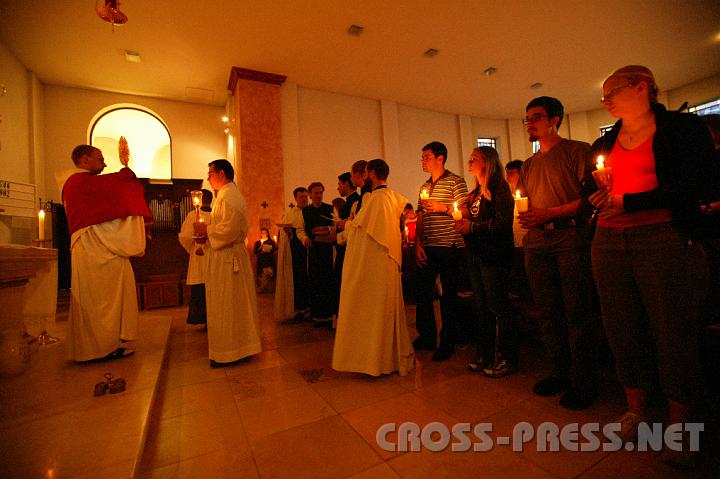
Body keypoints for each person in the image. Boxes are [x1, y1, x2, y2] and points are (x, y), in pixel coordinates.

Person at [588, 66, 717, 466]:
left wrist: (630, 202)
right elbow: (593, 187)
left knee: (671, 328)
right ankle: (636, 413)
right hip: (608, 240)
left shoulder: (682, 129)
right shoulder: (607, 140)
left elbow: (697, 184)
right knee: (620, 326)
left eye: (614, 92)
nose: (606, 100)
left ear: (643, 87)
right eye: (604, 95)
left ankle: (681, 428)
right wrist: (597, 195)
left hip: (662, 237)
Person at [516, 96, 599, 410]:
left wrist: (549, 213)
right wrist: (527, 218)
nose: (530, 123)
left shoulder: (578, 151)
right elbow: (525, 205)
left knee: (577, 313)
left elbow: (590, 198)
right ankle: (558, 372)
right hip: (536, 243)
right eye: (527, 118)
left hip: (569, 238)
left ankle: (584, 381)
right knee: (548, 313)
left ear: (554, 120)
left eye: (536, 116)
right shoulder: (528, 165)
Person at [56, 144, 151, 361]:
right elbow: (118, 187)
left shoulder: (76, 183)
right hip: (96, 251)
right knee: (102, 301)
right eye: (100, 159)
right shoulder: (79, 182)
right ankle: (102, 347)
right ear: (85, 159)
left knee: (101, 299)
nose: (105, 164)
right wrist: (127, 174)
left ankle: (106, 344)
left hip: (94, 248)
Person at [332, 159, 415, 376]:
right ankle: (382, 360)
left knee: (375, 313)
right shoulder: (388, 197)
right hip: (382, 265)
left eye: (367, 172)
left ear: (374, 173)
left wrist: (346, 226)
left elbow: (362, 231)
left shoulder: (378, 200)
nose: (363, 175)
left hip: (375, 267)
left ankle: (375, 361)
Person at [455, 147, 516, 377]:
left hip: (495, 255)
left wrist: (473, 226)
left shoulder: (499, 188)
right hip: (476, 255)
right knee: (481, 306)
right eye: (469, 158)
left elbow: (503, 222)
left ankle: (507, 356)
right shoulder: (475, 192)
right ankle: (486, 352)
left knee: (498, 305)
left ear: (488, 161)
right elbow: (474, 220)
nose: (469, 161)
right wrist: (463, 222)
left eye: (474, 158)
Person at [194, 159, 262, 367]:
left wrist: (207, 231)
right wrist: (206, 237)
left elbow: (230, 229)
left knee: (228, 305)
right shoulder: (224, 195)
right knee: (229, 304)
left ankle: (231, 352)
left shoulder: (230, 196)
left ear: (221, 173)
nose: (208, 177)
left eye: (210, 173)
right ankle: (235, 348)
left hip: (228, 258)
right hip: (223, 256)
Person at [413, 141, 469, 361]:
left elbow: (464, 211)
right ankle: (426, 336)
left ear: (440, 158)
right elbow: (419, 216)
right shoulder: (424, 187)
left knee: (448, 295)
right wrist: (418, 243)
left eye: (426, 157)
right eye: (422, 157)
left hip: (450, 246)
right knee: (422, 291)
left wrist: (443, 207)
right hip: (429, 246)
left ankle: (448, 341)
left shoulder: (456, 181)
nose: (423, 161)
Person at [298, 182, 337, 327]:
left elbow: (335, 227)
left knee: (328, 282)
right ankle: (317, 316)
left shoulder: (329, 209)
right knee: (315, 282)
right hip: (313, 251)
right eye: (316, 193)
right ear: (310, 194)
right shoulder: (305, 211)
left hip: (327, 251)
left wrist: (326, 229)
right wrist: (305, 238)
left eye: (321, 192)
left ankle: (328, 317)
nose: (318, 195)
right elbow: (300, 230)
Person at [273, 187, 311, 320]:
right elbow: (284, 236)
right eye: (301, 197)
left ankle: (310, 308)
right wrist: (288, 234)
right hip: (295, 252)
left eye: (306, 196)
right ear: (295, 198)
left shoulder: (311, 212)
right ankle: (299, 309)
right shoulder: (290, 214)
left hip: (310, 251)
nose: (304, 199)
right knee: (298, 280)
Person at [178, 188, 212, 325]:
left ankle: (203, 319)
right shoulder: (216, 215)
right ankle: (211, 319)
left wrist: (191, 246)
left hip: (199, 256)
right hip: (211, 255)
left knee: (200, 289)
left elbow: (185, 236)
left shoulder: (193, 215)